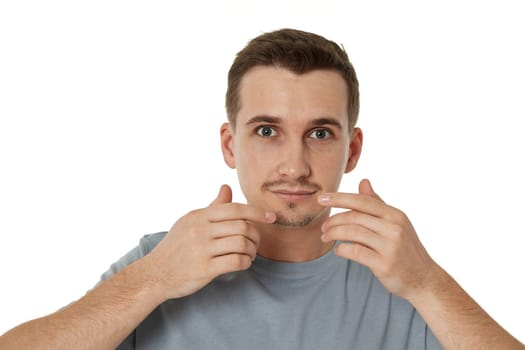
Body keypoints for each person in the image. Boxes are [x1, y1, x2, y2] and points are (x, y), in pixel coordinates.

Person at [1, 28, 523, 350]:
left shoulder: (401, 276)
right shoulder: (161, 260)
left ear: (353, 149)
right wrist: (153, 279)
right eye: (267, 131)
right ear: (230, 145)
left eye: (320, 133)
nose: (293, 166)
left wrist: (427, 282)